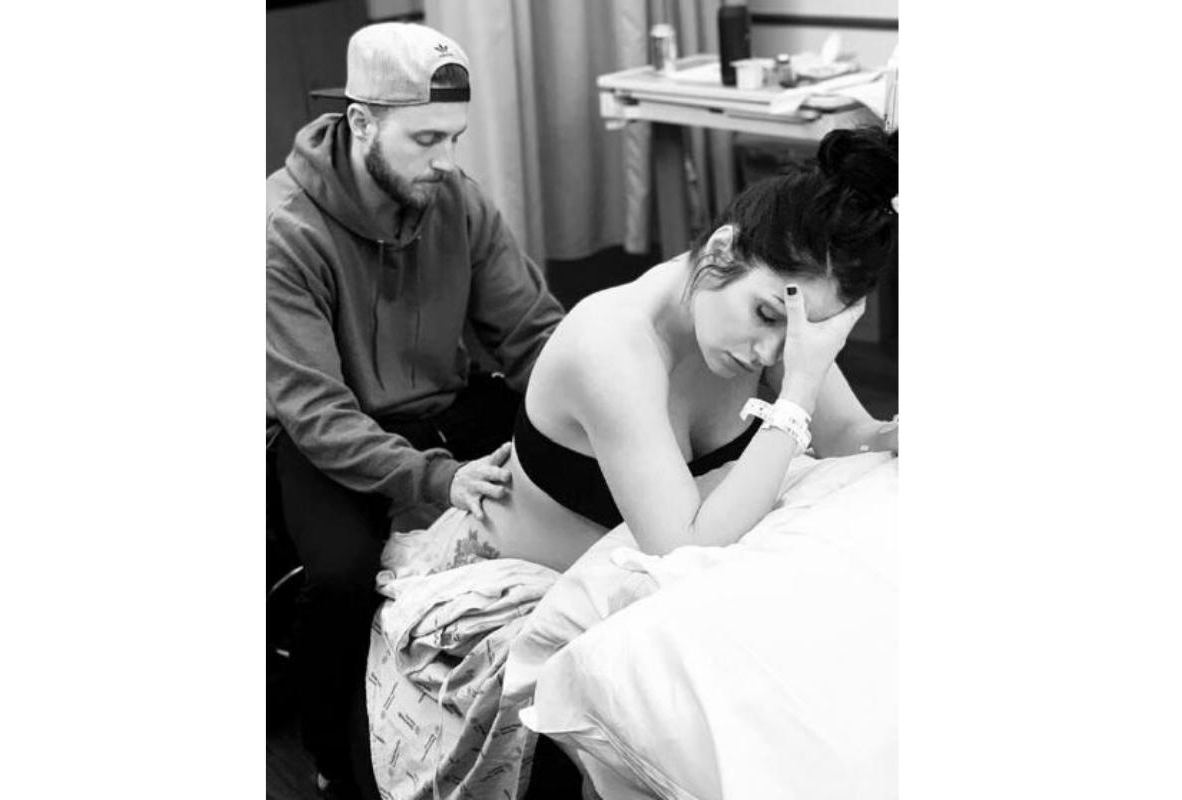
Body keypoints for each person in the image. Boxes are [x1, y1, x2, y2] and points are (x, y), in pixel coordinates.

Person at [266, 21, 563, 797]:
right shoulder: (282, 229)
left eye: (455, 137)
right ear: (361, 122)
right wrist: (438, 480)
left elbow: (531, 334)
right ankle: (334, 760)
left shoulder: (454, 198)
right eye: (427, 139)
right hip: (331, 432)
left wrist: (589, 403)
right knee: (340, 577)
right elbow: (316, 412)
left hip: (446, 403)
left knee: (579, 471)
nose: (447, 160)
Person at [468, 125, 900, 572]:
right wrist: (796, 397)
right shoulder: (608, 348)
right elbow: (683, 547)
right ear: (721, 251)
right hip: (512, 587)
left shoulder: (762, 308)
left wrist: (897, 435)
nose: (771, 354)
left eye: (798, 333)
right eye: (767, 316)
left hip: (634, 591)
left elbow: (847, 437)